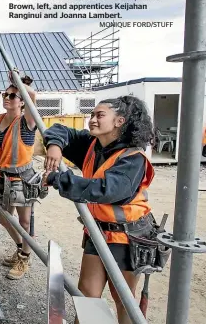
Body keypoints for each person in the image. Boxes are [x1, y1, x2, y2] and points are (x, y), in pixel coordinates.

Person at [42, 96, 156, 324]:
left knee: (122, 298)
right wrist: (55, 146)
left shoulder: (133, 159)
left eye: (99, 115)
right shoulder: (93, 144)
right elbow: (60, 129)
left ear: (119, 121)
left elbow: (106, 190)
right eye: (92, 115)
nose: (92, 120)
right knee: (88, 294)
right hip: (98, 233)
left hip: (127, 237)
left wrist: (59, 179)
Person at [0, 76, 37, 280]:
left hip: (23, 178)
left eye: (12, 95)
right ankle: (20, 249)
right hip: (3, 177)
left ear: (22, 101)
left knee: (24, 223)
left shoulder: (27, 122)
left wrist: (16, 78)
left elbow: (32, 95)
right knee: (4, 219)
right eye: (5, 94)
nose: (7, 98)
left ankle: (25, 258)